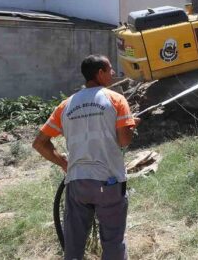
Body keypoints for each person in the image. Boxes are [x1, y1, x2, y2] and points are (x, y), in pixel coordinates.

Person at [33, 54, 140, 260]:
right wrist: (132, 124)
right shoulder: (116, 99)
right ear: (99, 73)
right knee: (113, 242)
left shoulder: (66, 105)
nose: (113, 73)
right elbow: (124, 140)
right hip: (108, 183)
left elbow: (39, 143)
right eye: (110, 70)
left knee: (73, 245)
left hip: (77, 184)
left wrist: (63, 163)